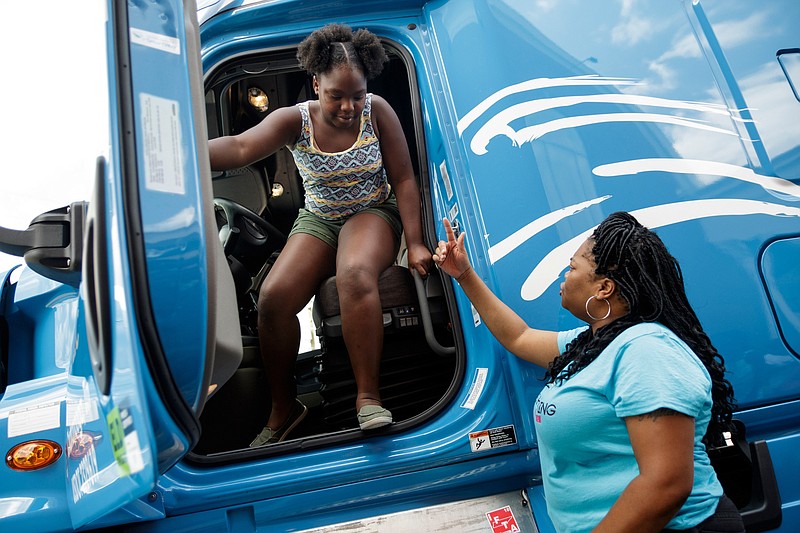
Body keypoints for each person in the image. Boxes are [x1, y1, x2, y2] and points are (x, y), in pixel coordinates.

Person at [432, 213, 744, 533]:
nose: (563, 278)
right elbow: (519, 337)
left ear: (604, 287)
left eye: (571, 268)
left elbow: (666, 485)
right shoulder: (594, 344)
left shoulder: (646, 351)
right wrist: (464, 274)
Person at [208, 23, 432, 447]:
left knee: (353, 273)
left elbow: (403, 178)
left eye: (357, 94)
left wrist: (416, 241)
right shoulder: (295, 121)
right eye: (336, 95)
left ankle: (368, 398)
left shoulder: (377, 111)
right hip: (320, 218)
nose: (348, 106)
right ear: (316, 84)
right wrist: (184, 154)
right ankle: (285, 408)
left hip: (372, 209)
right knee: (273, 299)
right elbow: (239, 149)